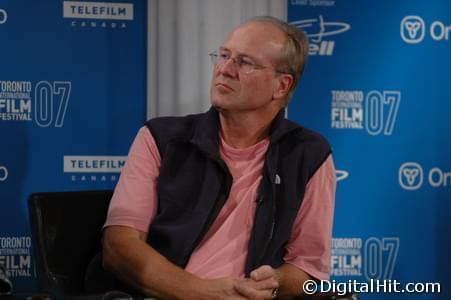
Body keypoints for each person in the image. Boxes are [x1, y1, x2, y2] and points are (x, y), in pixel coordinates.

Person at [102, 16, 335, 299]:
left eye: (245, 62)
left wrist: (272, 281)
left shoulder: (308, 154)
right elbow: (119, 246)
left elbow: (306, 268)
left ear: (282, 86)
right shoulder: (161, 138)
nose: (225, 69)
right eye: (224, 56)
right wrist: (203, 292)